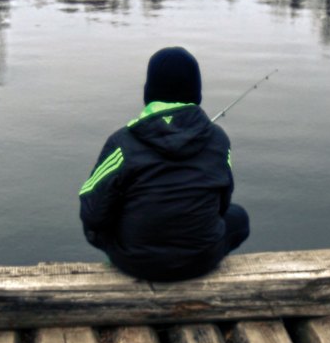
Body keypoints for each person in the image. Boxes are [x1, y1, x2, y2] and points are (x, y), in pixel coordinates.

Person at [79, 47, 250, 281]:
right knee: (238, 217)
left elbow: (92, 213)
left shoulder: (121, 142)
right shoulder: (219, 139)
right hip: (202, 259)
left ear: (148, 92)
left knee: (99, 220)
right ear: (196, 92)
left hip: (135, 262)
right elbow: (222, 204)